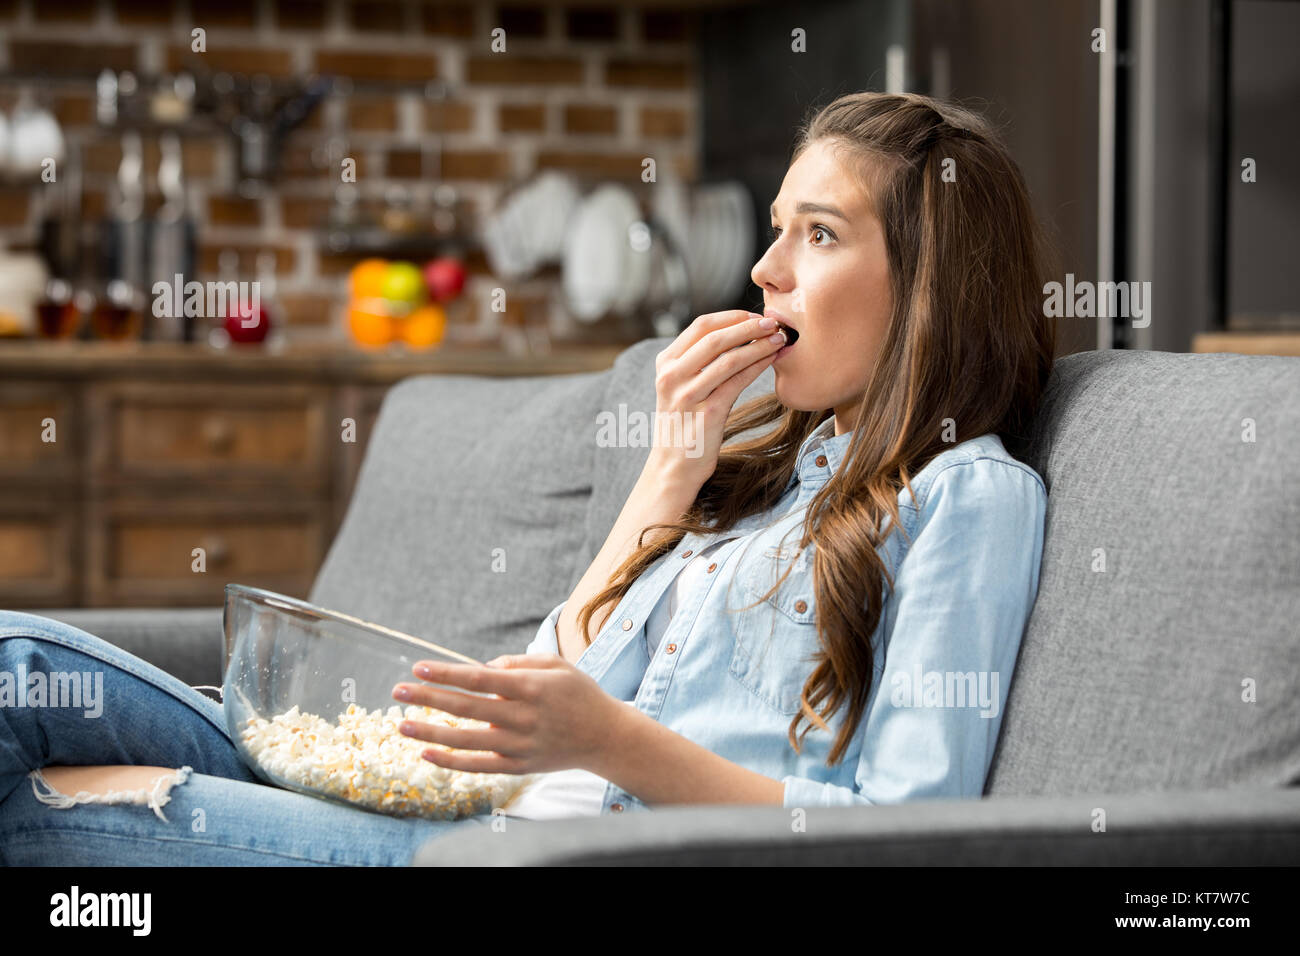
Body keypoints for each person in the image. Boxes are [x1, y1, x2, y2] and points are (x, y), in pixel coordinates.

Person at [0, 90, 1055, 865]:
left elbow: (917, 834)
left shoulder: (966, 497)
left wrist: (614, 743)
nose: (765, 268)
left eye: (817, 234)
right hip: (459, 804)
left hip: (517, 856)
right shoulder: (756, 477)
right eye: (774, 228)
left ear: (925, 287)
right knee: (15, 670)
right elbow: (556, 676)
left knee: (31, 812)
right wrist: (667, 471)